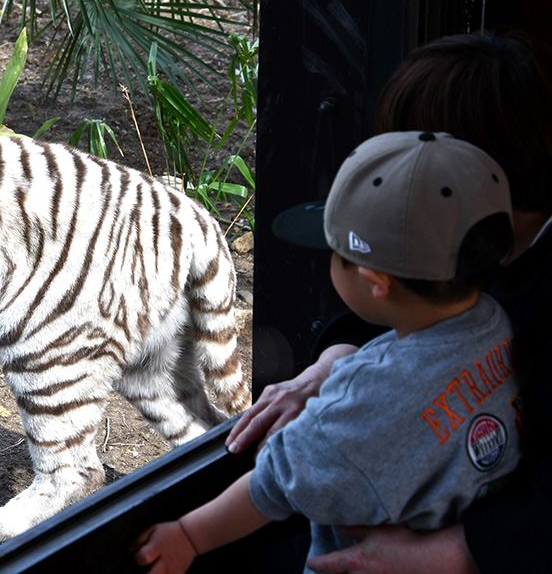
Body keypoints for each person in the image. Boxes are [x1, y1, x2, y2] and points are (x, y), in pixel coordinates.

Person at [226, 29, 552, 573]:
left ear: (466, 173)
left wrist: (449, 555)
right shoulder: (469, 236)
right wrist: (330, 369)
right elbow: (404, 309)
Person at [132, 131, 520, 574]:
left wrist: (188, 536)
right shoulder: (497, 321)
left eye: (334, 254)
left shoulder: (370, 398)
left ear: (376, 282)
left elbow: (277, 481)